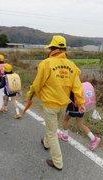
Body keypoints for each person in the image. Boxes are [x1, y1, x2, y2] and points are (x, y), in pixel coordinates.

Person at [26, 35, 85, 171]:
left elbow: (37, 84)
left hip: (50, 105)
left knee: (53, 133)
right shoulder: (72, 65)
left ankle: (58, 162)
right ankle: (46, 143)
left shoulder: (46, 63)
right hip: (63, 106)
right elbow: (77, 87)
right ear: (63, 49)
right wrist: (81, 102)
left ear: (53, 48)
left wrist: (30, 95)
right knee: (52, 127)